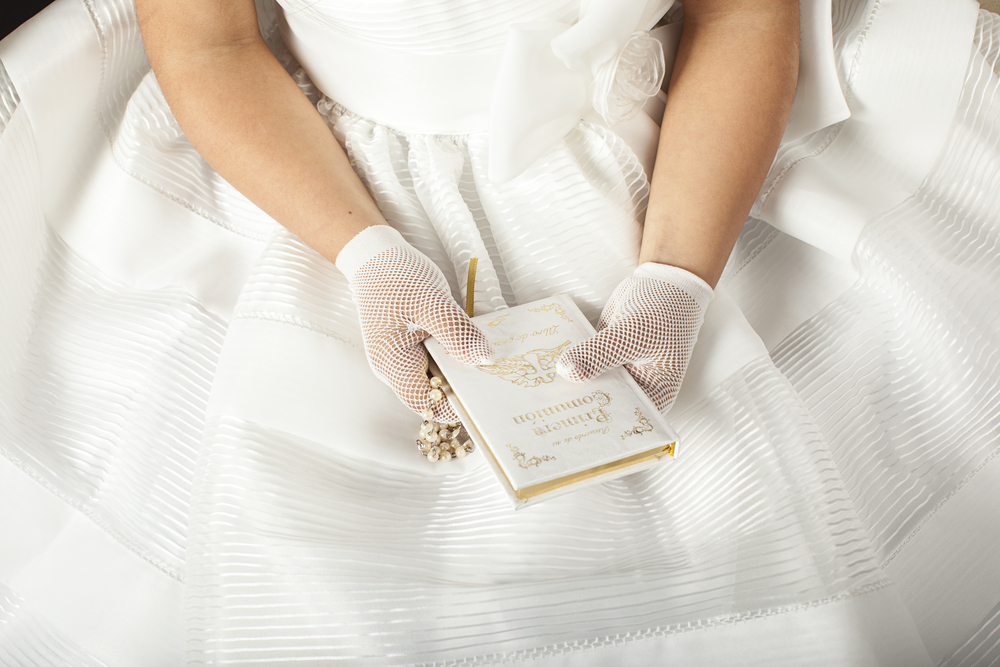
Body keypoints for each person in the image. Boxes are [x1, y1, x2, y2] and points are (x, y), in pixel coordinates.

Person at [0, 0, 997, 664]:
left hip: (689, 159)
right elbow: (209, 43)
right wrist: (368, 256)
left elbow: (742, 15)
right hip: (319, 179)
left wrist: (679, 275)